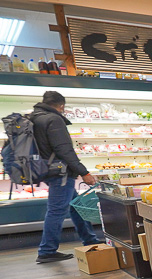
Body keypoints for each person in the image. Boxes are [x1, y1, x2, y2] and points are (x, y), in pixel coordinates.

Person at [30, 91, 100, 263]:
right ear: (61, 106)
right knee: (56, 210)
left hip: (47, 169)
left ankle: (90, 239)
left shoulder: (34, 118)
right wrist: (84, 172)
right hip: (60, 172)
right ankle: (47, 250)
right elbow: (64, 149)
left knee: (76, 206)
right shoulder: (54, 119)